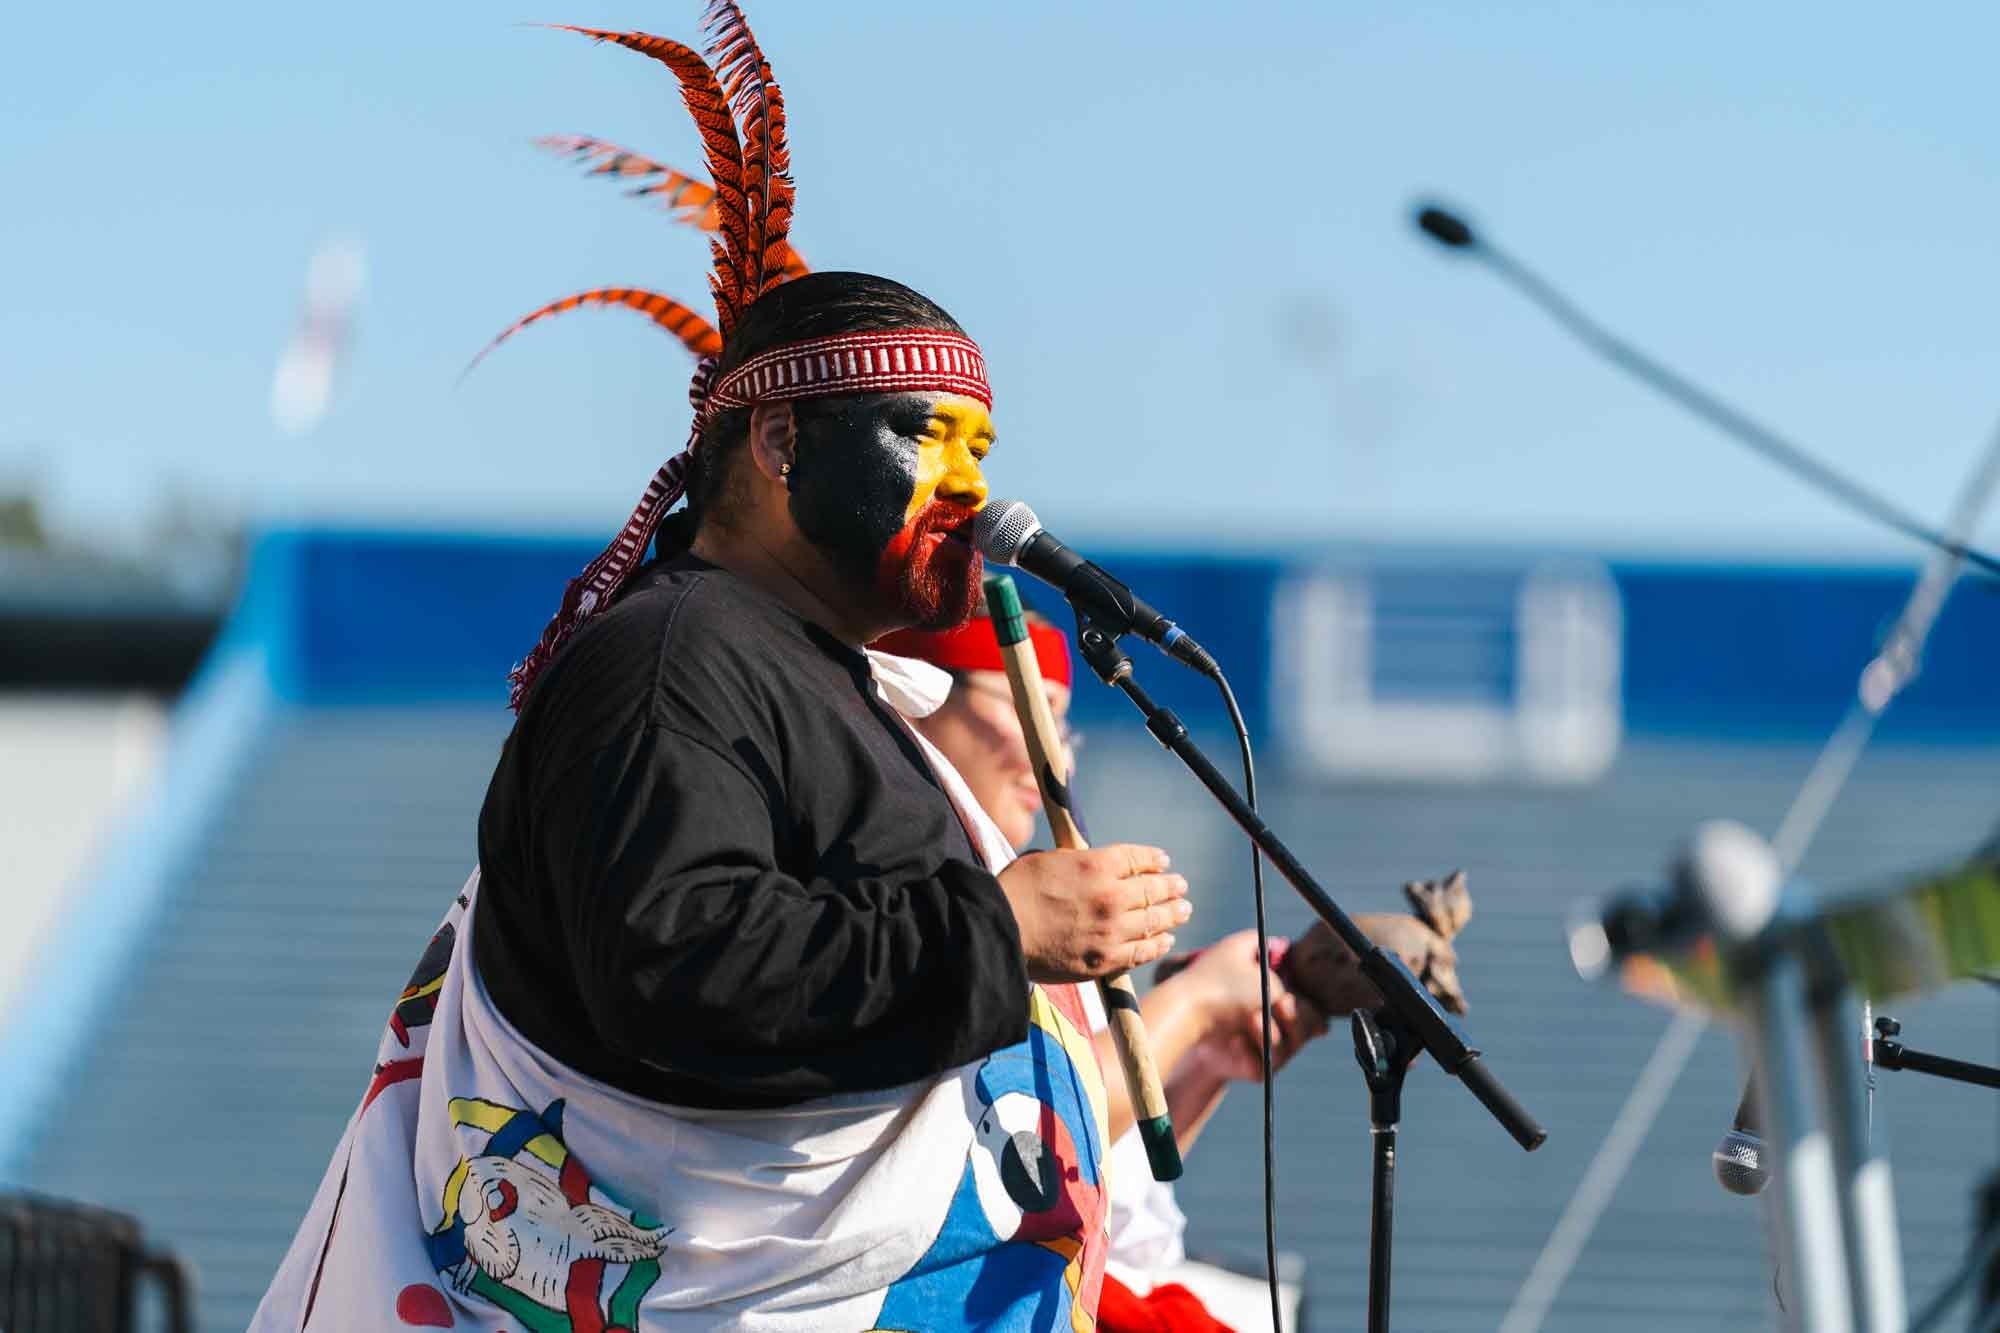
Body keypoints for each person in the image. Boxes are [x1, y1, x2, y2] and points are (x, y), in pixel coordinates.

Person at [252, 8, 1184, 1330]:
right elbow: (681, 973)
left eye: (985, 443)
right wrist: (1006, 930)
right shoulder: (670, 664)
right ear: (784, 445)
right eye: (930, 434)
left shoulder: (795, 673)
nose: (975, 482)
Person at [877, 608, 1467, 1333]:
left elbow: (1093, 1188)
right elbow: (1019, 1151)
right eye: (1030, 710)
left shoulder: (1022, 886)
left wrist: (1203, 1059)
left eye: (1066, 727)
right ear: (917, 695)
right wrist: (1190, 1003)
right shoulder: (913, 900)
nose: (1055, 757)